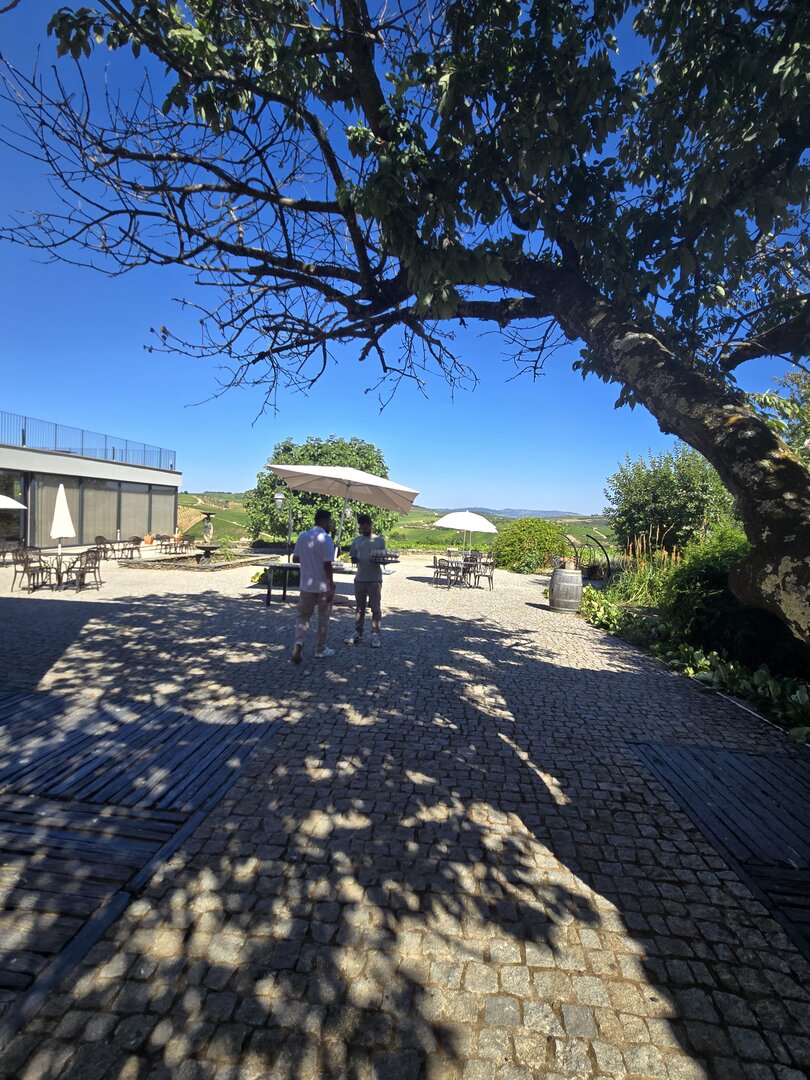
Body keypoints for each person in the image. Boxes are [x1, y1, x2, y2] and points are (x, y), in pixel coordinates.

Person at [291, 508, 335, 663]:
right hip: (322, 585)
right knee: (323, 617)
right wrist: (331, 585)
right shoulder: (326, 539)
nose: (331, 524)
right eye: (330, 521)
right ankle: (320, 648)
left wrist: (309, 559)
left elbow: (295, 559)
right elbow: (327, 565)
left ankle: (299, 641)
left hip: (306, 584)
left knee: (303, 615)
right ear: (324, 521)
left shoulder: (303, 536)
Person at [346, 513, 386, 648]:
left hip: (375, 579)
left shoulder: (380, 541)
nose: (363, 530)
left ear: (370, 526)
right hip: (360, 578)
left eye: (365, 528)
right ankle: (358, 633)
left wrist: (382, 560)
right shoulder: (357, 540)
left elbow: (383, 558)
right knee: (359, 608)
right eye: (361, 528)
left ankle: (375, 634)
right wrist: (353, 559)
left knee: (375, 608)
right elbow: (352, 556)